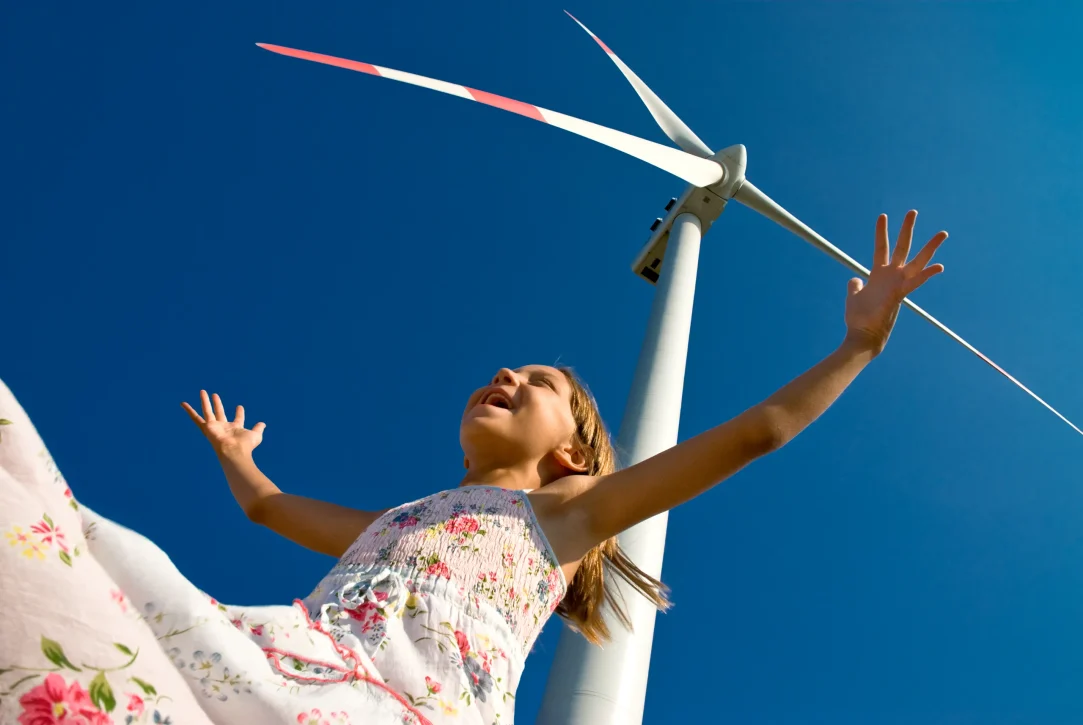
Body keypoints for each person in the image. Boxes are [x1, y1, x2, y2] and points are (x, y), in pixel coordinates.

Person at [0, 211, 945, 724]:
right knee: (67, 553)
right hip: (278, 667)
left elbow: (756, 434)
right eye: (504, 369)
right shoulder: (400, 520)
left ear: (571, 455)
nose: (505, 373)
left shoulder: (558, 523)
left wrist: (856, 347)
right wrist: (242, 463)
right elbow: (270, 513)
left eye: (536, 383)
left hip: (400, 710)